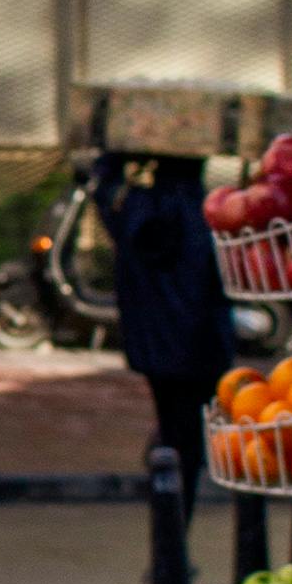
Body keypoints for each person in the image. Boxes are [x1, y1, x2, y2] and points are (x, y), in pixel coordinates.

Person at [98, 148, 235, 539]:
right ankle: (172, 550)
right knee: (188, 446)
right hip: (201, 348)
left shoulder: (136, 208)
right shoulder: (211, 211)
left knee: (175, 437)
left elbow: (102, 194)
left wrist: (116, 159)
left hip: (153, 348)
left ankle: (169, 549)